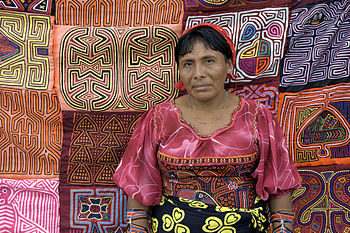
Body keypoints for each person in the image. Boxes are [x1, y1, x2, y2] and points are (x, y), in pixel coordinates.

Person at [113, 23, 301, 233]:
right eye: (188, 64)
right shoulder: (159, 118)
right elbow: (139, 184)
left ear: (229, 64)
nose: (198, 73)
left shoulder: (256, 116)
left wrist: (283, 229)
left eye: (209, 61)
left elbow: (278, 184)